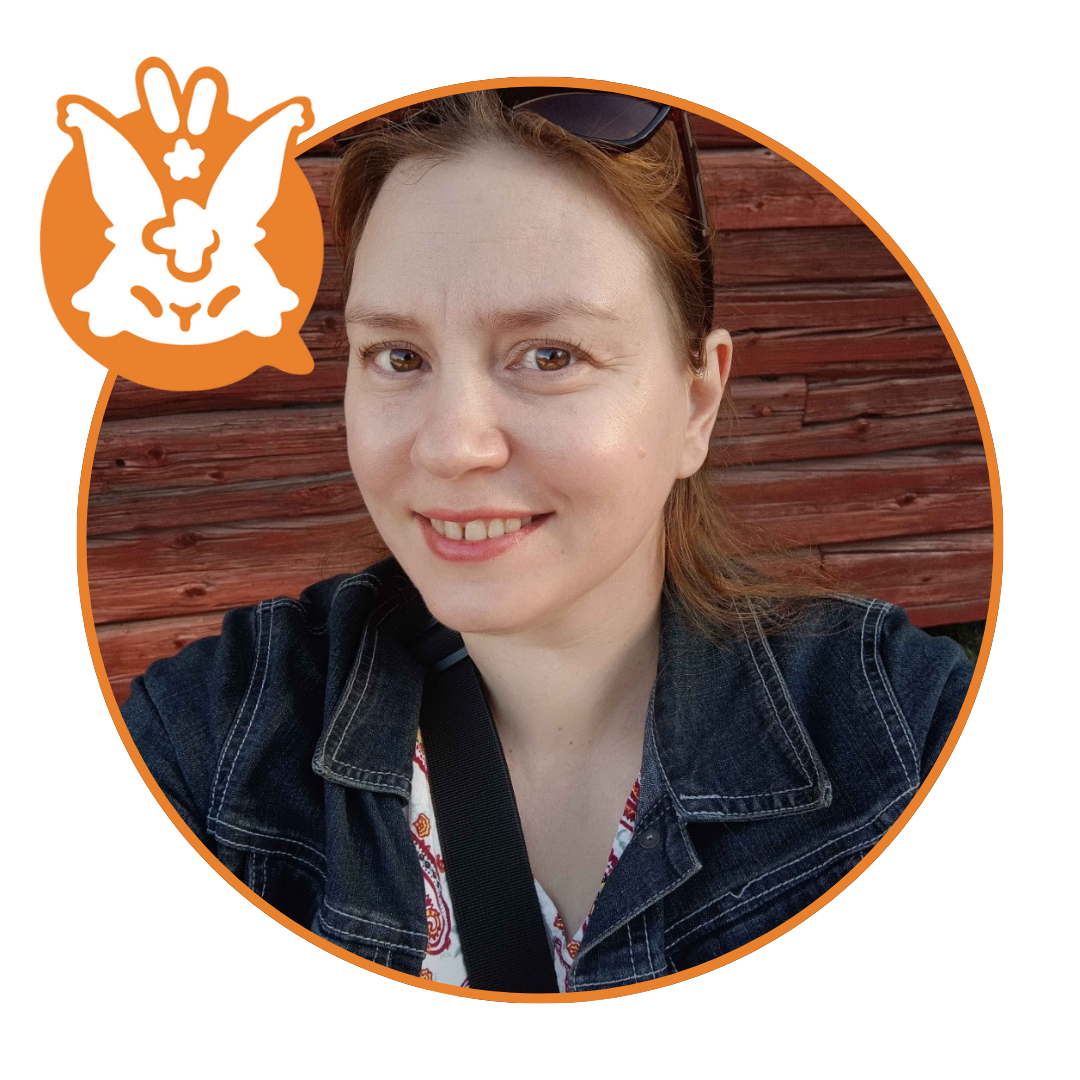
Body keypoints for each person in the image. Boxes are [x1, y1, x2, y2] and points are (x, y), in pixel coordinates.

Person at [121, 89, 976, 994]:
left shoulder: (900, 737)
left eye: (551, 355)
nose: (451, 447)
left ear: (697, 401)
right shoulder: (217, 740)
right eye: (398, 357)